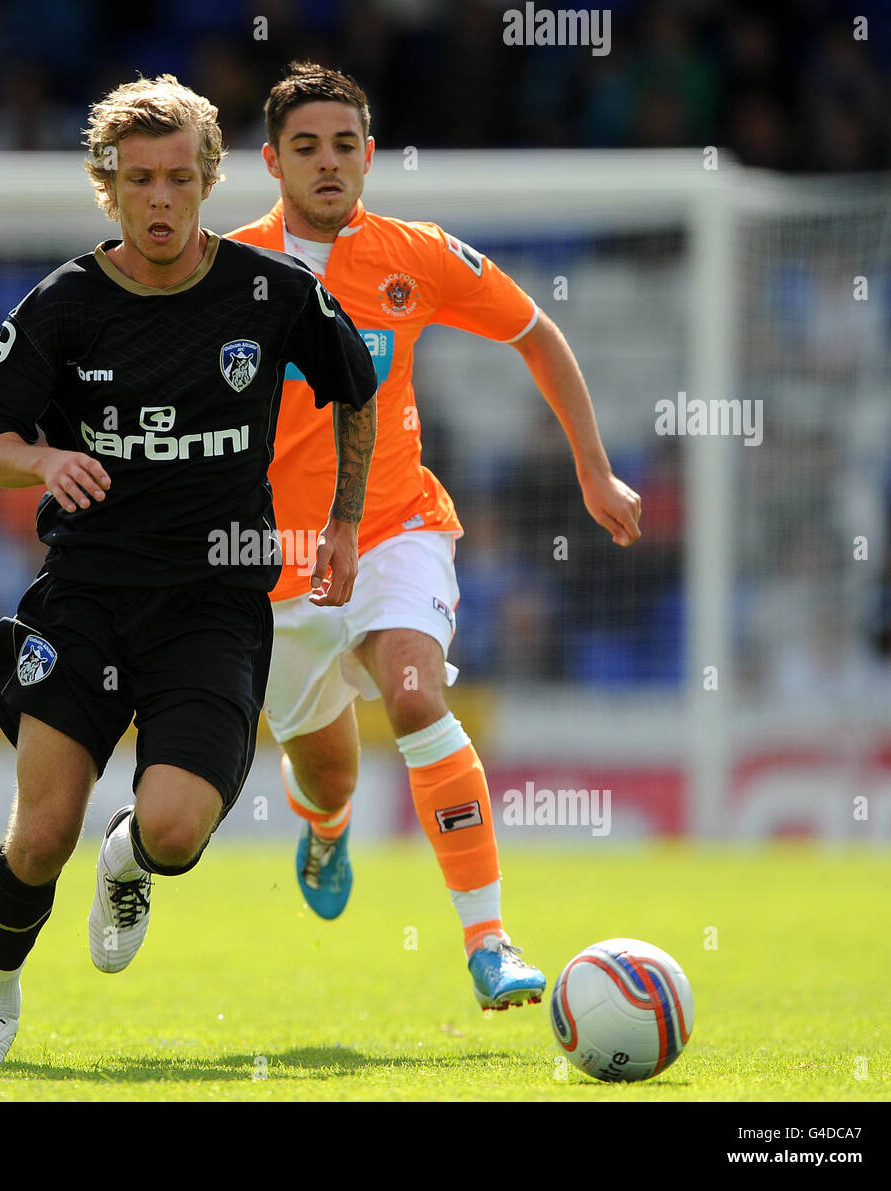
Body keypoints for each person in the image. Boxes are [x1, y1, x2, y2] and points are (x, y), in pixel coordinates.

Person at [0, 74, 378, 1063]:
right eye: (140, 179)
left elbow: (358, 387)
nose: (162, 200)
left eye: (180, 178)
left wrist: (345, 523)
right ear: (109, 185)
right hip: (85, 597)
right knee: (40, 831)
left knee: (175, 831)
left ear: (211, 179)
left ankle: (127, 861)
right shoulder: (66, 303)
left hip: (214, 602)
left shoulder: (271, 293)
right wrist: (45, 457)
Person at [226, 62, 642, 1011]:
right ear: (272, 163)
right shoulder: (230, 271)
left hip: (394, 527)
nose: (327, 163)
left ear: (368, 157)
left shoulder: (417, 255)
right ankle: (324, 823)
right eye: (305, 148)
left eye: (343, 145)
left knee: (413, 693)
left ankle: (489, 940)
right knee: (326, 772)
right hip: (276, 567)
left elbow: (536, 331)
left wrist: (591, 464)